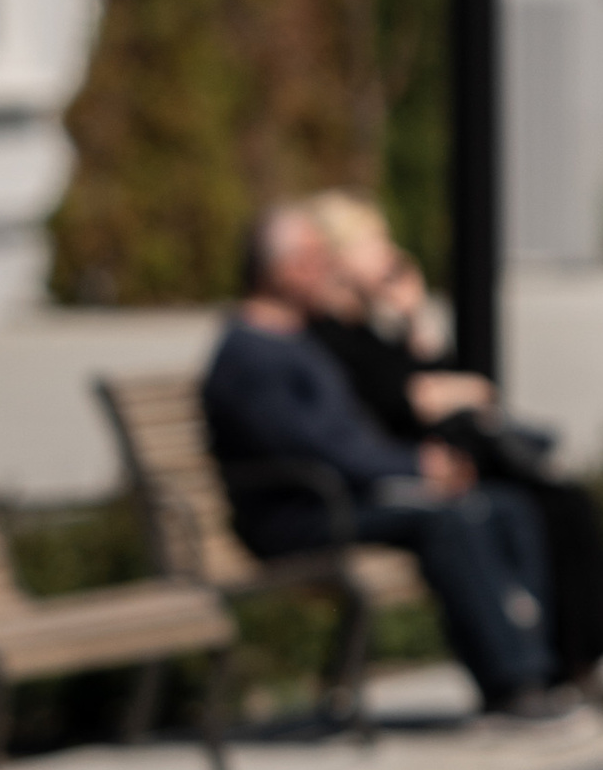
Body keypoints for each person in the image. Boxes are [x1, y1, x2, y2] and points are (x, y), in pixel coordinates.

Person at [202, 205, 566, 720]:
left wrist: (415, 463)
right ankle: (511, 687)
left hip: (341, 496)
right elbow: (314, 448)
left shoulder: (297, 342)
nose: (326, 269)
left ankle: (539, 665)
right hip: (295, 516)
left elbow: (349, 435)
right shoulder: (251, 356)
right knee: (452, 521)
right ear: (280, 269)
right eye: (314, 258)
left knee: (505, 505)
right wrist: (414, 467)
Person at [297, 192, 603, 693]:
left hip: (434, 465)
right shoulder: (325, 338)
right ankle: (567, 663)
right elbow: (414, 400)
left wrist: (415, 317)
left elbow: (439, 382)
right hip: (409, 476)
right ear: (336, 257)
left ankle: (595, 654)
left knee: (561, 499)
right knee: (536, 505)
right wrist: (445, 393)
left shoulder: (376, 328)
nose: (388, 253)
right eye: (371, 242)